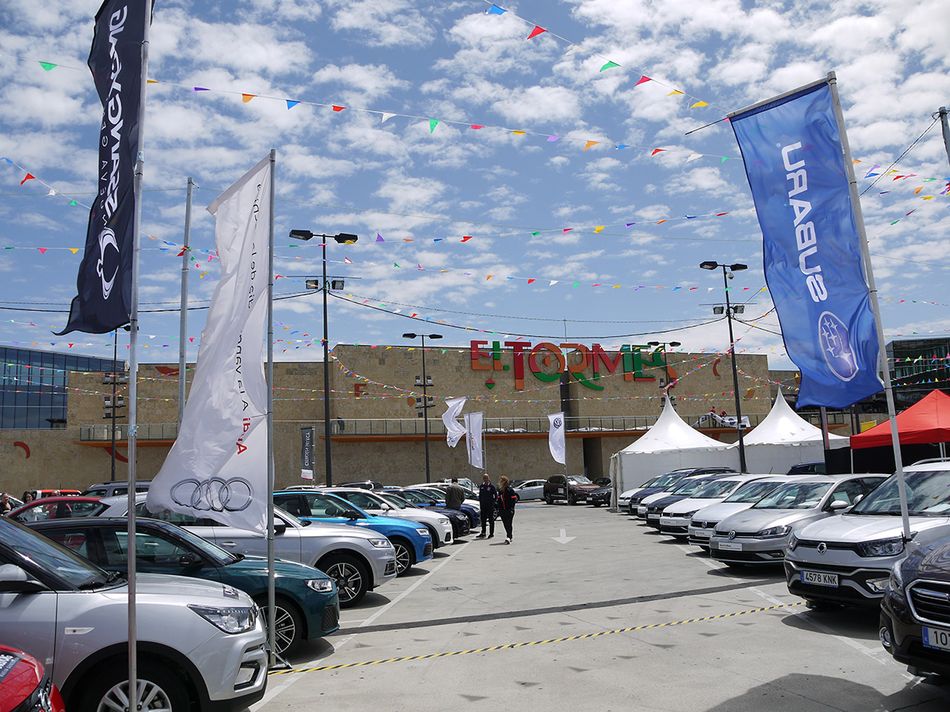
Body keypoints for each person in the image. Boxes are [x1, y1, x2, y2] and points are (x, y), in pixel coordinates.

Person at [496, 476, 519, 544]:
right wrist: (499, 509)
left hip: (509, 510)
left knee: (509, 523)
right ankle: (509, 535)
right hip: (502, 510)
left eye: (501, 481)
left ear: (504, 482)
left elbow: (513, 500)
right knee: (505, 524)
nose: (500, 482)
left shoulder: (510, 490)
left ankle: (509, 537)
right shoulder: (500, 491)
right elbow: (498, 500)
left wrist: (511, 508)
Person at [476, 474, 497, 539]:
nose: (485, 479)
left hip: (490, 506)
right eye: (484, 478)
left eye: (486, 478)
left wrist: (492, 502)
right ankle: (483, 532)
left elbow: (495, 496)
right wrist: (480, 502)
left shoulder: (491, 487)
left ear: (488, 478)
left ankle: (491, 533)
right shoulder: (482, 486)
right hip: (483, 506)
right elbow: (480, 496)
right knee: (483, 519)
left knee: (491, 520)